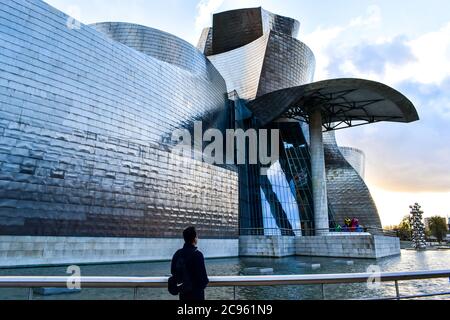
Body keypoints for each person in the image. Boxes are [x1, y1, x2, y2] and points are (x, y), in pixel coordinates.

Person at [170, 226, 209, 301]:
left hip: (183, 294)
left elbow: (173, 272)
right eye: (197, 236)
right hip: (197, 295)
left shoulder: (178, 254)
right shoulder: (198, 254)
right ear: (195, 239)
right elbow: (203, 279)